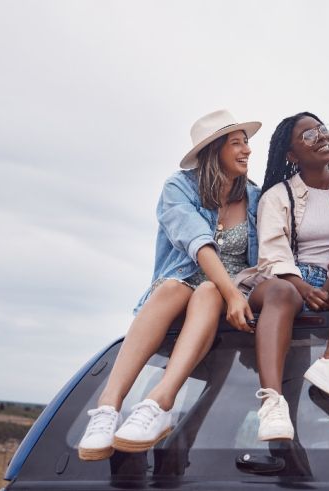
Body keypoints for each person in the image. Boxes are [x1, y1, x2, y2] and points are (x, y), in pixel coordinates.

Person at [77, 109, 262, 460]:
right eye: (237, 143)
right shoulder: (178, 187)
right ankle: (107, 409)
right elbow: (196, 241)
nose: (247, 150)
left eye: (246, 143)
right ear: (215, 150)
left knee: (209, 291)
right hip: (183, 287)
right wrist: (231, 294)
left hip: (226, 293)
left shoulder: (255, 197)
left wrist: (234, 293)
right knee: (175, 287)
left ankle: (160, 400)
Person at [236, 112, 329, 441]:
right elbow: (271, 254)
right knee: (283, 292)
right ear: (292, 156)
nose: (322, 137)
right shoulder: (278, 196)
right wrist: (300, 285)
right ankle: (272, 401)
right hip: (283, 283)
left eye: (323, 130)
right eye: (308, 136)